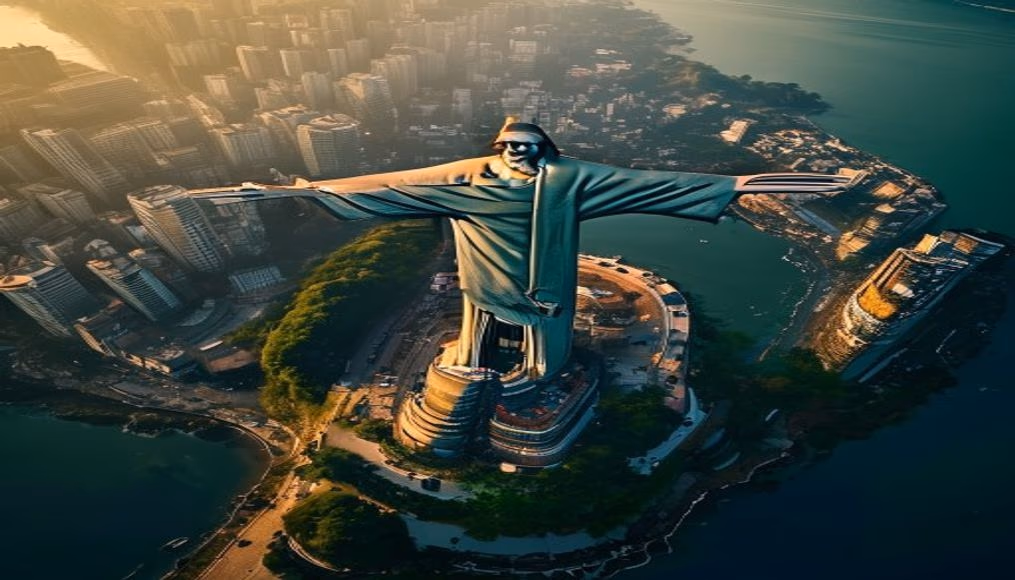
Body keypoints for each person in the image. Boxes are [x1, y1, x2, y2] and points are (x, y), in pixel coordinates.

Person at [195, 120, 851, 385]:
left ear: (544, 150)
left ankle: (541, 372)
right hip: (484, 281)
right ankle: (479, 363)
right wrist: (294, 189)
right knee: (476, 331)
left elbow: (653, 183)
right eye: (508, 146)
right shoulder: (463, 179)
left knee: (546, 344)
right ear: (496, 149)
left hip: (545, 287)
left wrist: (740, 183)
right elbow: (385, 185)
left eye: (528, 147)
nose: (517, 154)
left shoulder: (569, 181)